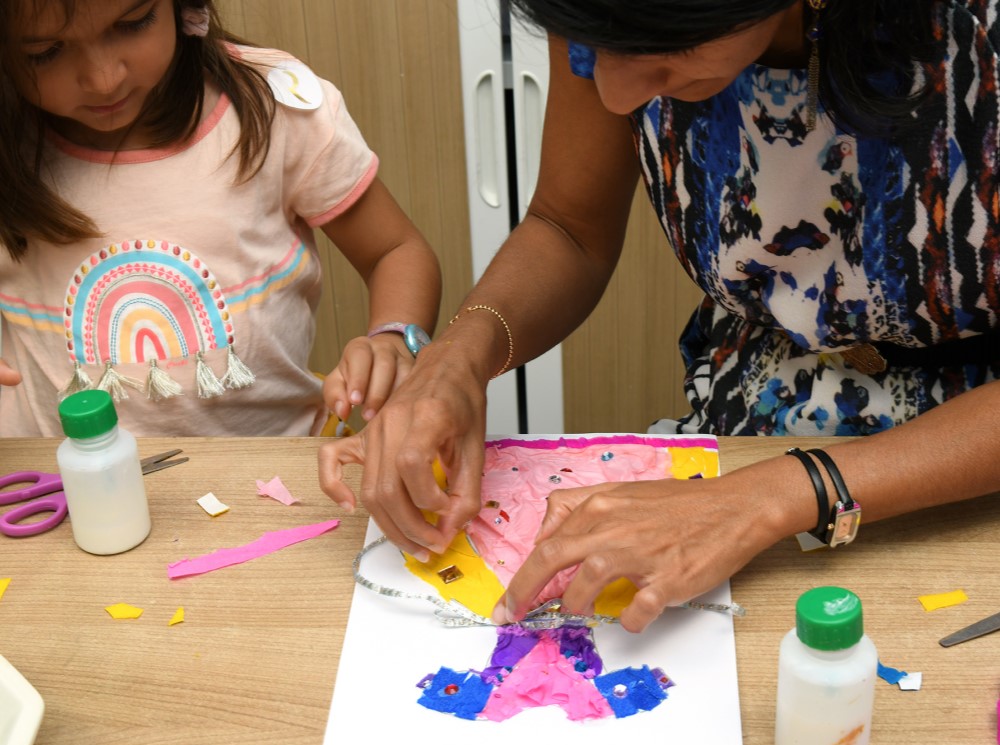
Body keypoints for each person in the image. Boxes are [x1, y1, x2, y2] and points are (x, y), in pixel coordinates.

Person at [319, 0, 1000, 632]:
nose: (615, 95)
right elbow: (567, 227)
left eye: (661, 49)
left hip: (967, 467)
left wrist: (769, 498)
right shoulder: (606, 9)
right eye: (591, 51)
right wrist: (461, 357)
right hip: (747, 422)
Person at [0, 0, 440, 437]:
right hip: (55, 486)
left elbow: (394, 251)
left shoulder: (274, 108)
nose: (103, 78)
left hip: (275, 469)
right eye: (45, 52)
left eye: (134, 24)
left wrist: (394, 338)